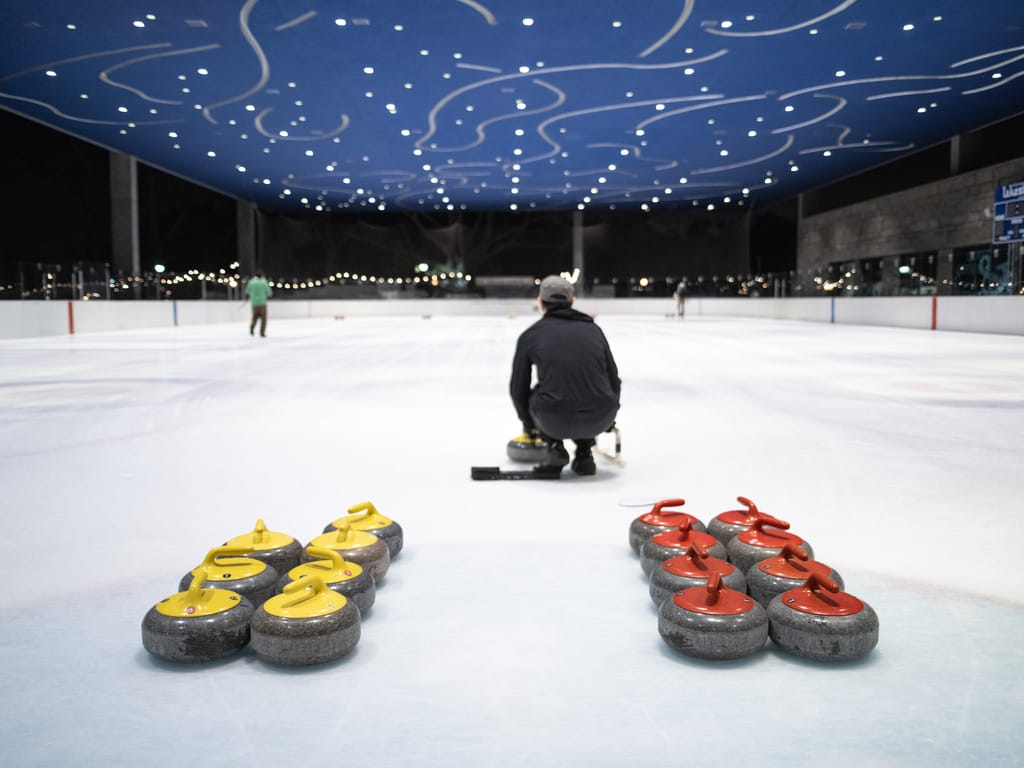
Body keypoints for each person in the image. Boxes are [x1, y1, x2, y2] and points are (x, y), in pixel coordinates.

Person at [510, 275, 621, 475]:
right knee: (586, 388)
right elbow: (613, 378)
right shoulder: (594, 330)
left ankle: (554, 447)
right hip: (601, 416)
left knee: (539, 392)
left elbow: (518, 388)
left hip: (553, 420)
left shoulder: (530, 336)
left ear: (540, 302)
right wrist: (610, 415)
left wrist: (529, 424)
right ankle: (585, 453)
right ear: (572, 301)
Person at [246, 271, 272, 337]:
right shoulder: (264, 282)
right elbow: (269, 292)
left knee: (254, 317)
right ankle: (262, 332)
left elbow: (247, 291)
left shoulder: (251, 282)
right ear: (262, 276)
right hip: (262, 303)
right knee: (263, 319)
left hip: (254, 303)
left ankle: (252, 326)